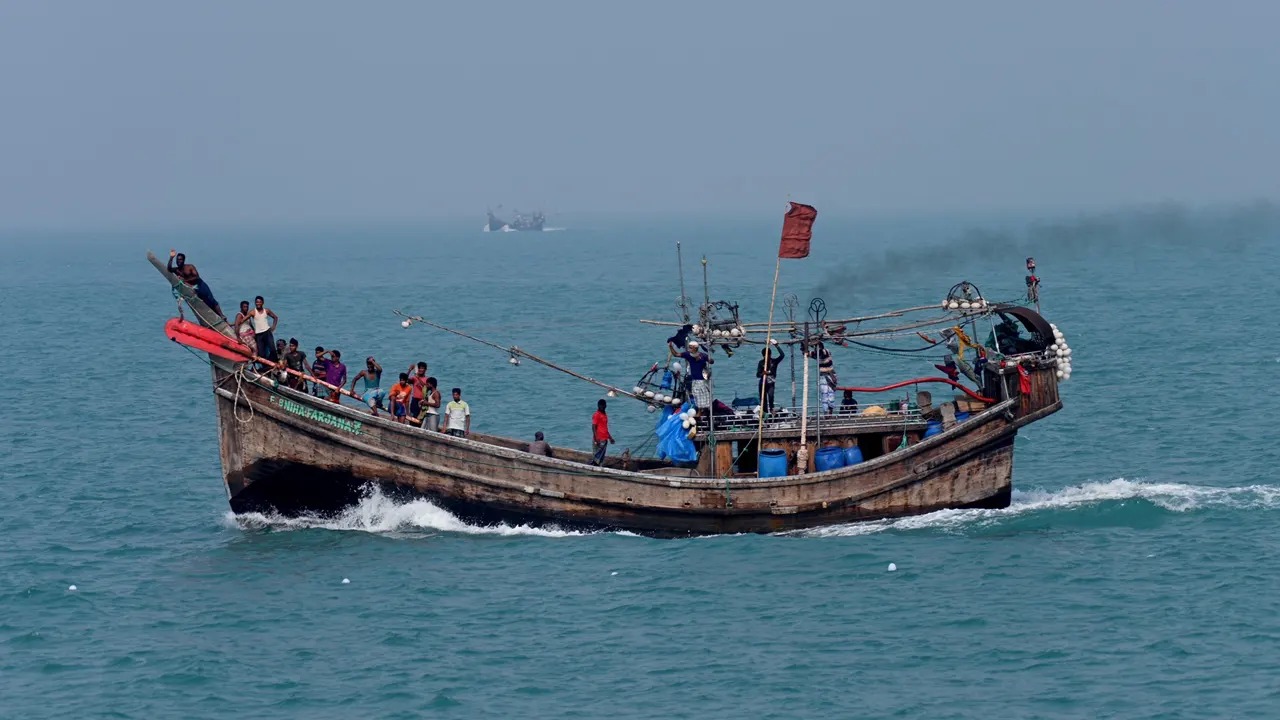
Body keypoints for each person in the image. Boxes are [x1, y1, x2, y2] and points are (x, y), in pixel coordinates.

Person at [167, 250, 224, 319]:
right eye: (177, 260)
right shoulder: (177, 270)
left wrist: (184, 280)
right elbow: (169, 269)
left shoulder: (189, 267)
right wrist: (171, 257)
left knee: (211, 300)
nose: (179, 261)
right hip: (193, 288)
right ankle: (214, 317)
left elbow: (196, 277)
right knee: (204, 303)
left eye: (180, 260)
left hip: (200, 285)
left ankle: (222, 315)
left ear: (184, 260)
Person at [679, 340, 714, 411]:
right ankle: (701, 409)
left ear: (695, 348)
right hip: (694, 379)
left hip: (701, 380)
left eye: (691, 347)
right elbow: (676, 354)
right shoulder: (688, 355)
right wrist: (670, 347)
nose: (689, 349)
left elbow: (711, 361)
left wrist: (709, 360)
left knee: (702, 395)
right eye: (689, 347)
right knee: (695, 395)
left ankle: (702, 410)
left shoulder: (703, 356)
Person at [806, 341, 838, 414]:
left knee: (830, 394)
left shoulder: (825, 351)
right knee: (824, 394)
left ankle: (830, 410)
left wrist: (813, 347)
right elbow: (807, 353)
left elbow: (820, 354)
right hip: (823, 375)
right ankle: (826, 411)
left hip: (830, 375)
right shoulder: (816, 354)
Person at [756, 341, 785, 414]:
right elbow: (757, 374)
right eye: (765, 356)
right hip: (762, 383)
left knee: (771, 396)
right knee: (763, 399)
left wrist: (776, 345)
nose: (767, 357)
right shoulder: (761, 363)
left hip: (771, 383)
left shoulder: (774, 362)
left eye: (768, 355)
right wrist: (763, 373)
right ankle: (765, 413)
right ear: (763, 356)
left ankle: (772, 408)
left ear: (770, 354)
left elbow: (782, 355)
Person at [250, 296, 279, 367]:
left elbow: (275, 317)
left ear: (262, 303)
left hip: (267, 332)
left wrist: (273, 327)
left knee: (272, 349)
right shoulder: (253, 312)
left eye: (259, 302)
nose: (258, 303)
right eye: (256, 302)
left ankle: (275, 364)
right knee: (262, 353)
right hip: (259, 335)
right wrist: (233, 324)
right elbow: (243, 319)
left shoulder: (266, 310)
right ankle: (265, 367)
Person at [591, 399, 616, 465]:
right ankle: (593, 467)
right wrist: (596, 438)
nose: (603, 407)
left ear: (605, 406)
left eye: (604, 405)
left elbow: (605, 428)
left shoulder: (604, 415)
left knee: (601, 458)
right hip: (599, 439)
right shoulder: (597, 415)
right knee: (596, 457)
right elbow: (593, 427)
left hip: (604, 439)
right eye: (601, 405)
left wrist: (610, 438)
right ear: (598, 406)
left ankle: (598, 468)